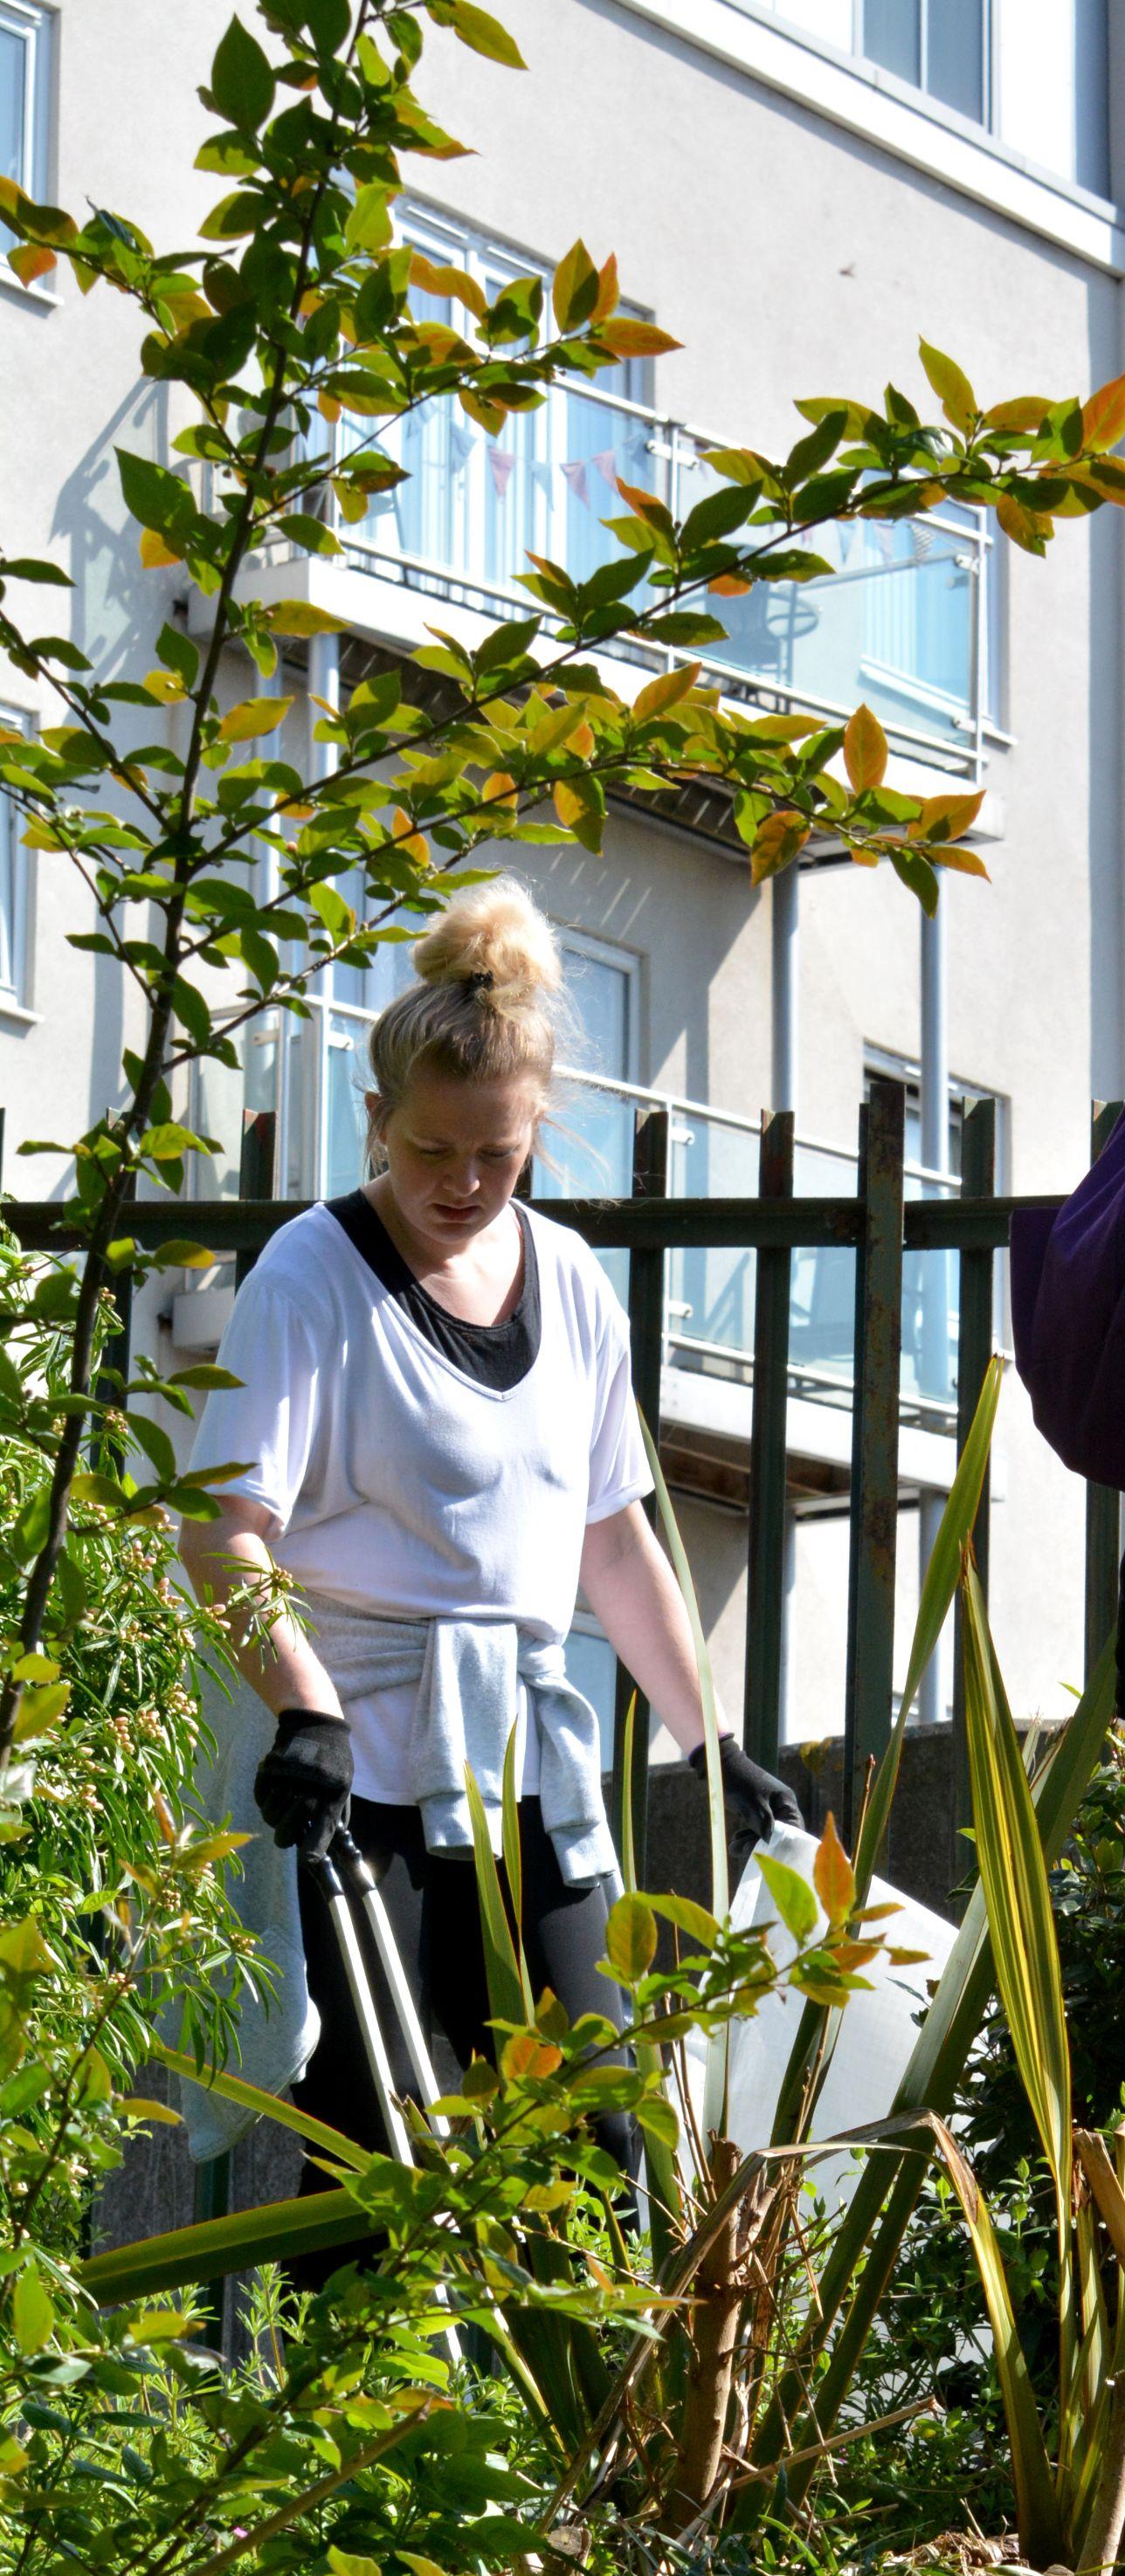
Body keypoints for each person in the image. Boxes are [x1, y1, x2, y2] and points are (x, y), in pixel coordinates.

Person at [182, 879, 797, 2172]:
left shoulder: (572, 1285)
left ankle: (578, 2383)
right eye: (430, 1150)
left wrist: (711, 1741)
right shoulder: (309, 1275)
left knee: (602, 2128)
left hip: (527, 1766)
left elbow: (613, 1541)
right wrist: (304, 1710)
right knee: (373, 2138)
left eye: (496, 1154)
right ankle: (346, 2379)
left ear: (538, 1131)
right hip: (364, 1774)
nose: (463, 1182)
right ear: (376, 1124)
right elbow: (224, 1530)